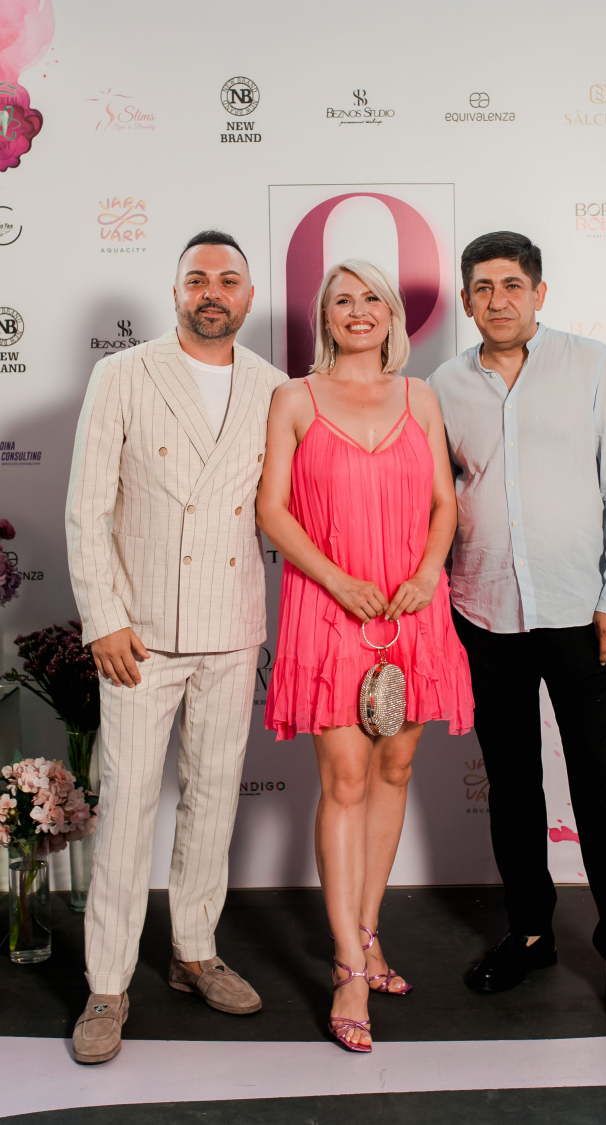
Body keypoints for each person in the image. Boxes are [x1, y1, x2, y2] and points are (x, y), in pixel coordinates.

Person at [428, 231, 606, 1033]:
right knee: (512, 784)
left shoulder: (593, 365)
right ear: (467, 300)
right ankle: (529, 933)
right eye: (483, 287)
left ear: (539, 292)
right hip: (483, 610)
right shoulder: (444, 384)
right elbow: (440, 495)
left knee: (596, 783)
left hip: (579, 612)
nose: (498, 299)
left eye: (512, 284)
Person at [66, 230, 287, 1064]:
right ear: (176, 292)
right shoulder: (123, 374)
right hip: (141, 635)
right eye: (197, 278)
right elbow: (88, 509)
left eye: (228, 279)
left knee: (214, 798)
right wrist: (103, 618)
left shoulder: (273, 386)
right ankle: (107, 984)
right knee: (127, 807)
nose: (212, 291)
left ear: (249, 297)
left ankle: (195, 952)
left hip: (232, 629)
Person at [257, 259, 473, 1052]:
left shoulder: (422, 398)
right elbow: (272, 510)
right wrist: (336, 580)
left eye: (371, 298)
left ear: (391, 315)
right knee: (345, 779)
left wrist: (427, 572)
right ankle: (348, 964)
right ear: (325, 316)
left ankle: (370, 931)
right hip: (330, 606)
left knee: (395, 768)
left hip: (412, 607)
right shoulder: (294, 398)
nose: (357, 309)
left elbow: (445, 503)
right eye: (341, 299)